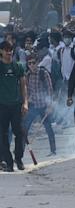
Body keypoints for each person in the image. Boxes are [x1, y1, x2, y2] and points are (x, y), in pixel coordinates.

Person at [0, 41, 28, 171]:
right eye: (6, 50)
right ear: (1, 51)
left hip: (16, 105)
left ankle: (18, 158)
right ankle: (8, 162)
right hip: (2, 106)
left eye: (10, 49)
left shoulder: (18, 66)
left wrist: (25, 103)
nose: (9, 52)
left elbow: (23, 86)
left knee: (20, 133)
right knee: (2, 135)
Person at [24, 54, 56, 156]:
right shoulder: (28, 75)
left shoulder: (43, 73)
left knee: (48, 128)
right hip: (33, 105)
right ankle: (20, 152)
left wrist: (50, 105)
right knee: (25, 128)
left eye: (33, 63)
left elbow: (50, 90)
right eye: (29, 63)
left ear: (37, 63)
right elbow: (27, 91)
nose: (32, 65)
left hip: (43, 105)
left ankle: (53, 150)